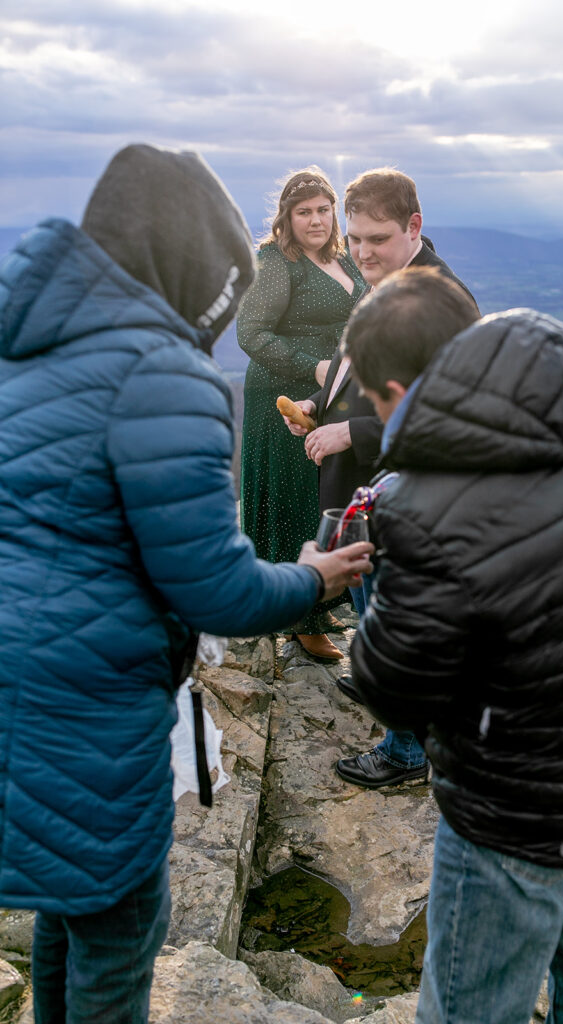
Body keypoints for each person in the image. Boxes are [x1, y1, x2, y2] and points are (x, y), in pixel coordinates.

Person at [0, 143, 373, 1024]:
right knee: (120, 934)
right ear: (191, 268)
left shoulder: (25, 347)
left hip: (19, 685)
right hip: (87, 702)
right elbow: (218, 593)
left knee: (66, 906)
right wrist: (312, 577)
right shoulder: (162, 376)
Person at [343, 266, 563, 1024]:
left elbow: (394, 687)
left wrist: (366, 573)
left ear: (395, 391)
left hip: (522, 807)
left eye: (371, 400)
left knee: (468, 1009)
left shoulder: (426, 506)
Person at [286, 167, 480, 788]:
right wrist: (322, 404)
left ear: (414, 227)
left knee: (395, 620)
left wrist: (354, 433)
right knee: (372, 613)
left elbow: (456, 416)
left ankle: (406, 750)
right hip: (363, 491)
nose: (362, 252)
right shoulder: (384, 284)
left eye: (378, 238)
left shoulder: (442, 301)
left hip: (406, 499)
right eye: (356, 238)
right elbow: (353, 361)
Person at [237, 166, 366, 662]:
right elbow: (251, 333)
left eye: (323, 209)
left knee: (322, 493)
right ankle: (299, 619)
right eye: (303, 212)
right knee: (293, 498)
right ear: (287, 218)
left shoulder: (343, 258)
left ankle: (319, 601)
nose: (315, 220)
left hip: (331, 391)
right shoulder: (277, 263)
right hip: (283, 395)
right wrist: (310, 366)